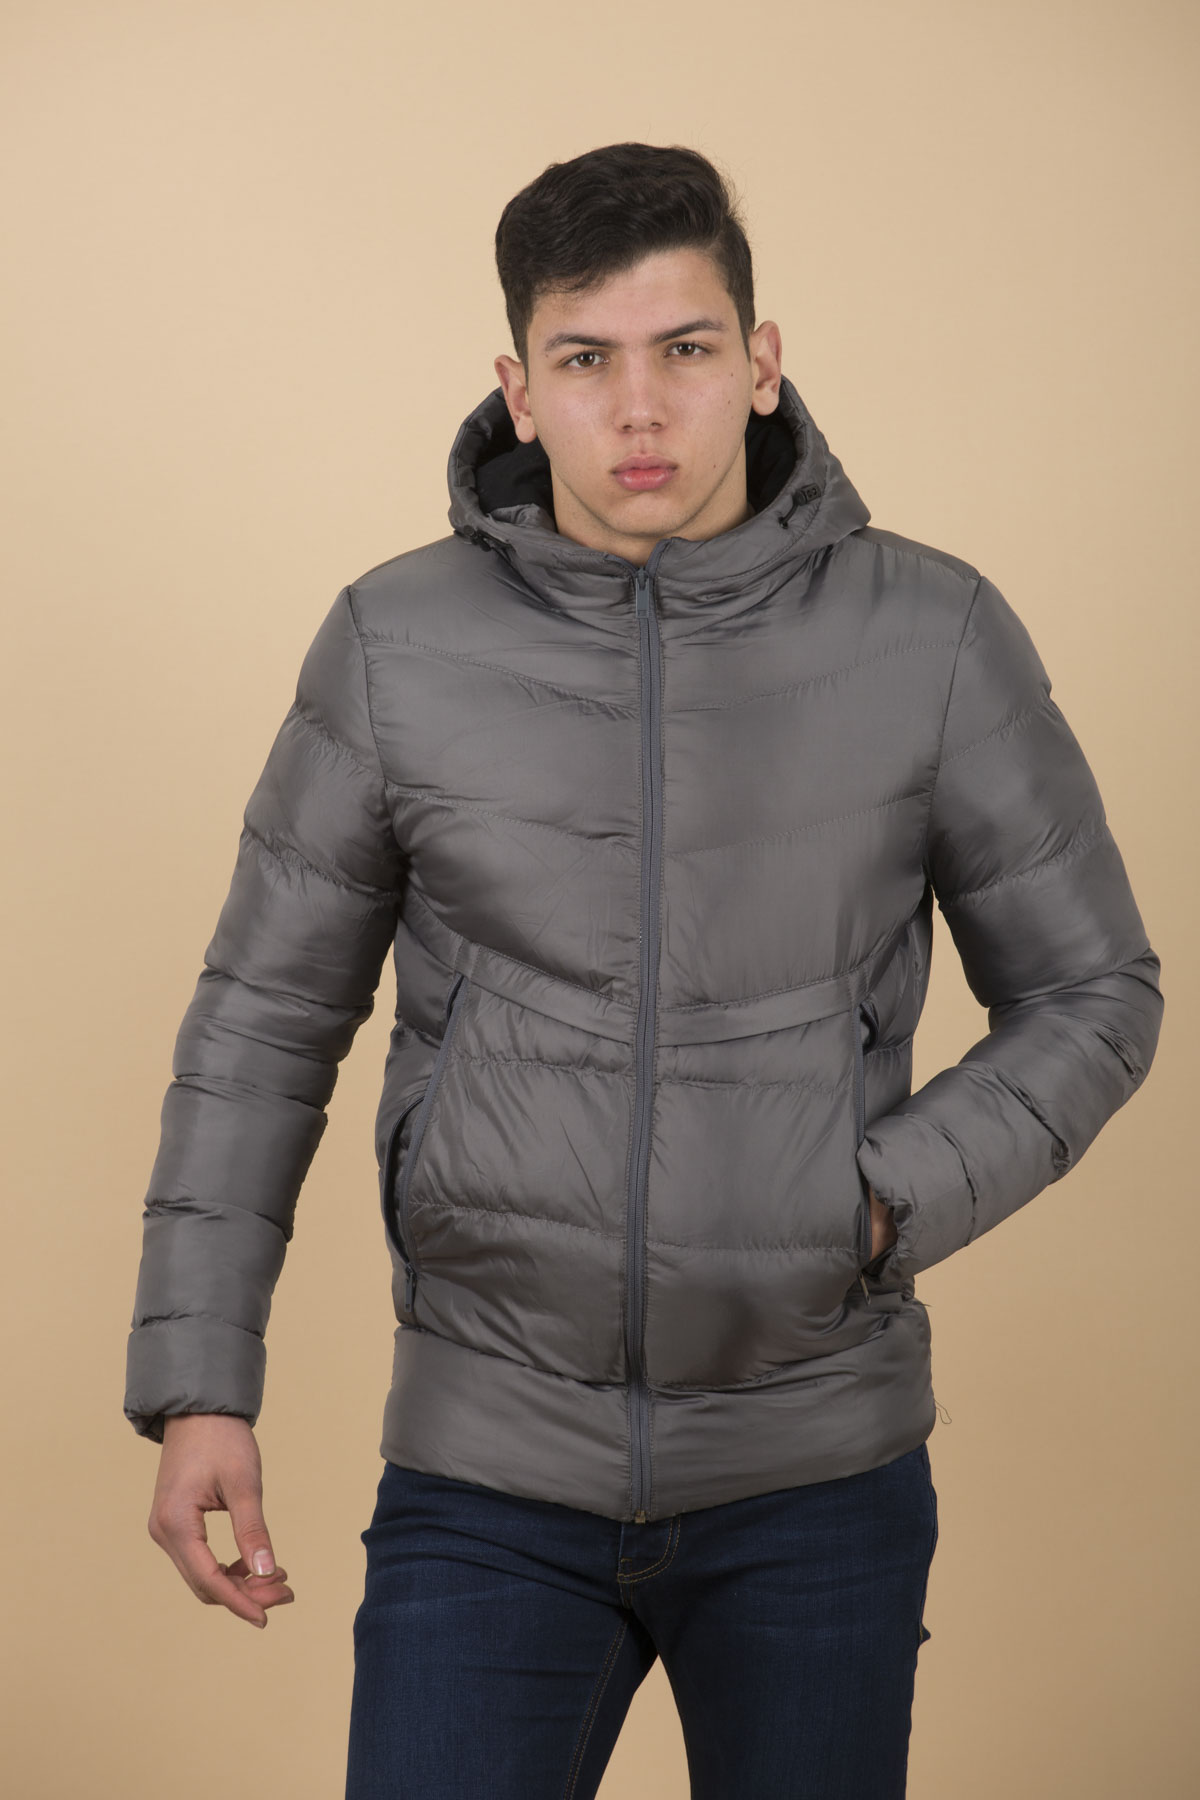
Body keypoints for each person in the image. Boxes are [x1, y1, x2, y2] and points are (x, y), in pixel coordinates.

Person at [125, 142, 1164, 1799]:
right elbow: (262, 1025)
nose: (640, 410)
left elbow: (1095, 993)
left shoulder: (934, 636)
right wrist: (200, 1388)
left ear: (761, 360)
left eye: (685, 349)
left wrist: (869, 1207)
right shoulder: (394, 645)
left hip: (818, 1471)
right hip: (485, 1470)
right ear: (517, 390)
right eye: (584, 359)